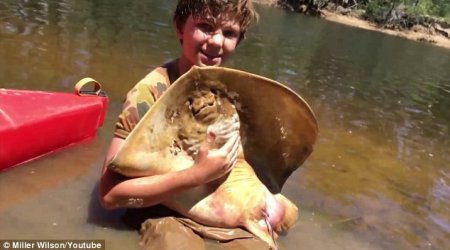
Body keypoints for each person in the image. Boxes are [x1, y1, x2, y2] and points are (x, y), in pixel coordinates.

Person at [100, 1, 265, 249]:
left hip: (220, 209)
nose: (217, 42)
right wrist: (196, 175)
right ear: (179, 28)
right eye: (206, 27)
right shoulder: (149, 93)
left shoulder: (233, 91)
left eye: (229, 33)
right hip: (161, 210)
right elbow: (110, 196)